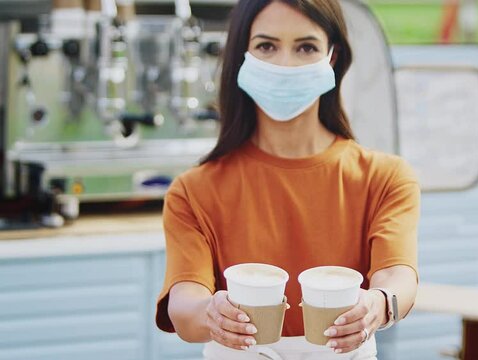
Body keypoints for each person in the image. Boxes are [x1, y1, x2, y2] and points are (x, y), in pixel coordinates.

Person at [155, 1, 420, 359]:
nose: (285, 64)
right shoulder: (194, 191)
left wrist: (378, 304)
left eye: (306, 47)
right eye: (266, 46)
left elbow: (397, 276)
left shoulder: (385, 178)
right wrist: (211, 315)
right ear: (241, 56)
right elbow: (185, 304)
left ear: (332, 57)